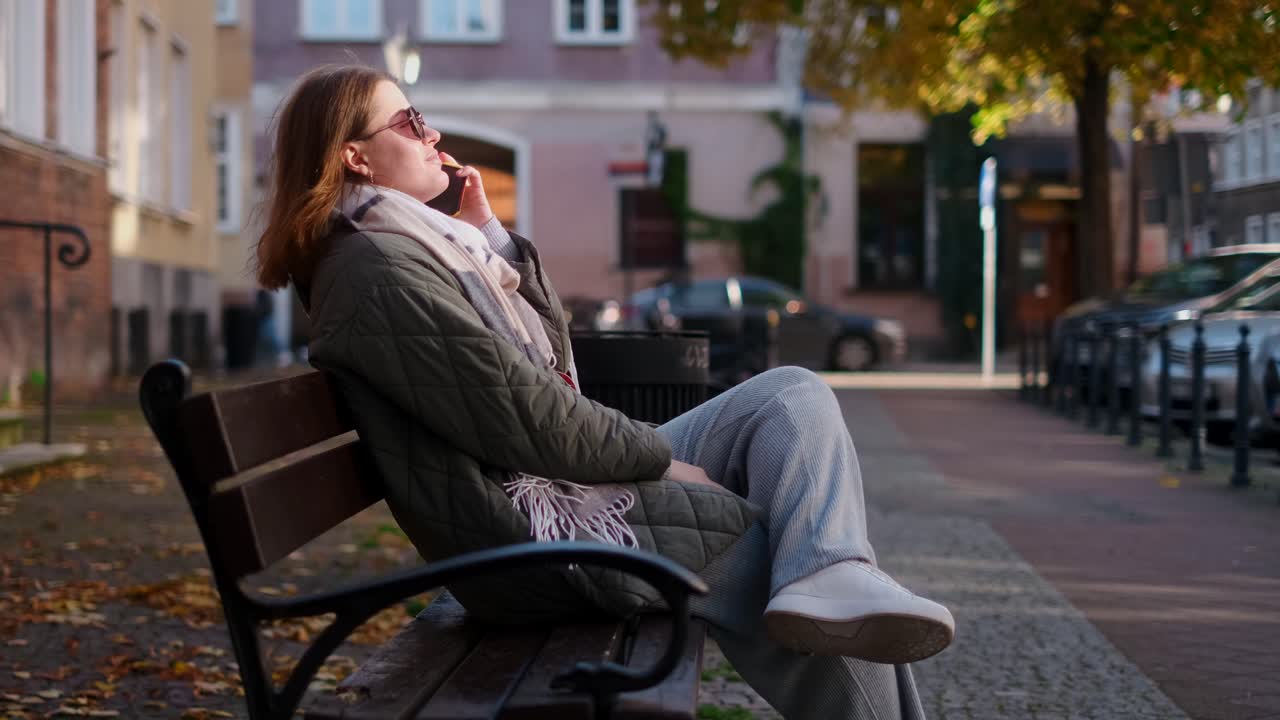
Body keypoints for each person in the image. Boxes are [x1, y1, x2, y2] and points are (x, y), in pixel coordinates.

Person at [255, 65, 954, 719]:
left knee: (789, 398)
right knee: (761, 547)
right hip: (526, 540)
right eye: (409, 123)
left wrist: (490, 240)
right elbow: (530, 418)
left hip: (544, 491)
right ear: (354, 156)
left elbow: (550, 367)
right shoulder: (376, 269)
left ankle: (833, 569)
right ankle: (824, 581)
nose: (431, 132)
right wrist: (662, 460)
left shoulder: (412, 248)